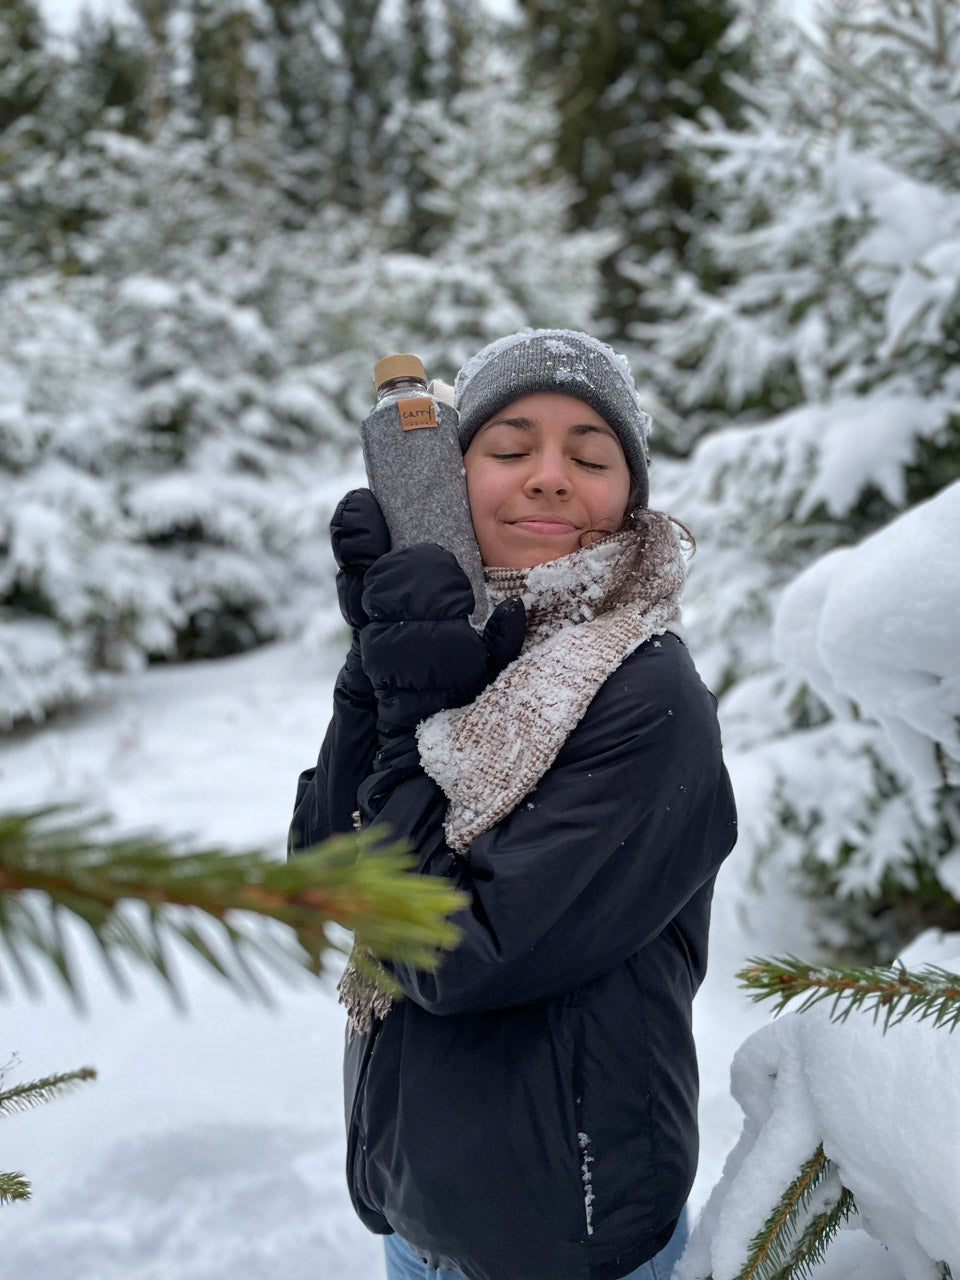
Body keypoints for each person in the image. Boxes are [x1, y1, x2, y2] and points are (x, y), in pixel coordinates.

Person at [289, 329, 737, 1280]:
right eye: (508, 449)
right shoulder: (449, 643)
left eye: (589, 456)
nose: (548, 478)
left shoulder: (648, 699)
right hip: (415, 1216)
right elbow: (328, 871)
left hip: (570, 1237)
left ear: (628, 496)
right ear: (454, 477)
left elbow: (460, 955)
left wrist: (411, 715)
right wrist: (378, 667)